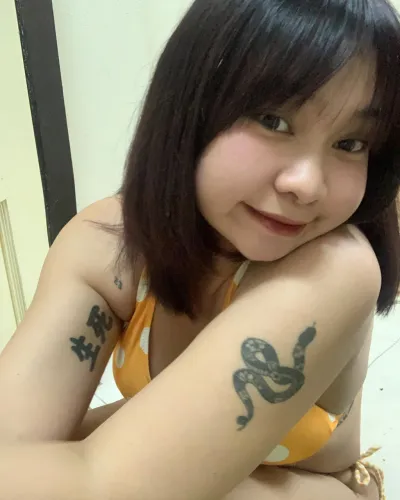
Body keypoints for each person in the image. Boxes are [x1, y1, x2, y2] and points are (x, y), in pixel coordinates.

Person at [0, 0, 399, 498]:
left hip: (315, 485)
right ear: (189, 106)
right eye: (273, 120)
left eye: (352, 143)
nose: (306, 184)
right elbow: (12, 440)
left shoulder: (336, 268)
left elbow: (104, 488)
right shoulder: (106, 246)